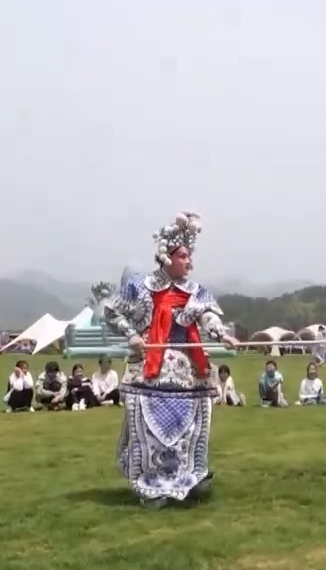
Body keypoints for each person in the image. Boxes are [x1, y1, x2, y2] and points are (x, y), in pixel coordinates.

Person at [103, 210, 240, 508]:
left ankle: (185, 478)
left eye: (190, 256)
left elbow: (206, 315)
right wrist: (132, 336)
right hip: (150, 371)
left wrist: (221, 334)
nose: (189, 263)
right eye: (183, 256)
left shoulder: (194, 291)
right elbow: (111, 311)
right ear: (166, 257)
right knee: (150, 431)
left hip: (188, 373)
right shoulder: (140, 287)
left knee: (188, 429)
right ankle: (153, 485)